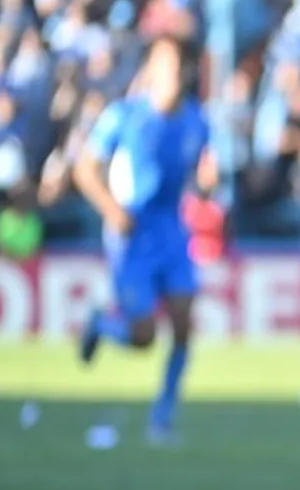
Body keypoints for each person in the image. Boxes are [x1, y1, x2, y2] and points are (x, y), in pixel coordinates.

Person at [74, 36, 214, 444]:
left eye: (179, 62)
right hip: (132, 233)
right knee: (143, 337)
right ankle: (102, 323)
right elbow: (85, 169)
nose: (174, 71)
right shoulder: (124, 116)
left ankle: (163, 415)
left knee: (185, 323)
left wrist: (207, 186)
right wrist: (112, 210)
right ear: (151, 69)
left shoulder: (197, 121)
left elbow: (201, 178)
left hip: (171, 229)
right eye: (165, 62)